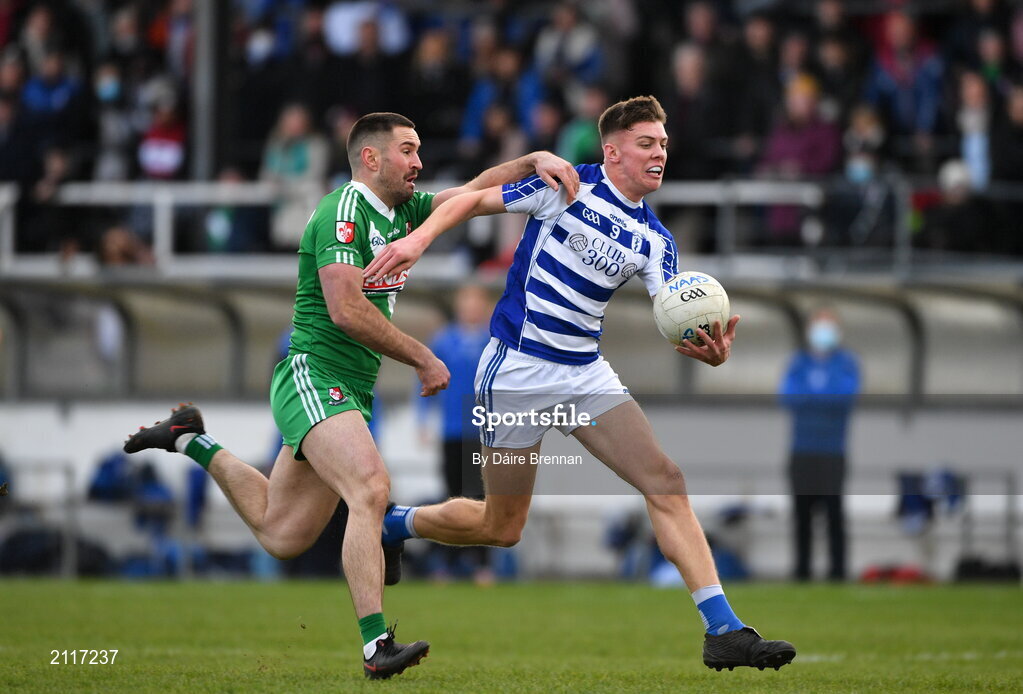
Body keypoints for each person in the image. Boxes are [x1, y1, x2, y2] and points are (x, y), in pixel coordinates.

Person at [122, 111, 579, 680]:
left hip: (348, 389)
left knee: (281, 533)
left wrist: (533, 162)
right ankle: (375, 647)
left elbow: (472, 192)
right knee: (371, 487)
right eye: (408, 151)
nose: (419, 162)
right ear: (371, 158)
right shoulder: (344, 209)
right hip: (314, 374)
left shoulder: (403, 211)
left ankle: (189, 438)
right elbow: (345, 309)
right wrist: (422, 354)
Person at [364, 96, 796, 672]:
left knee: (665, 479)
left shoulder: (657, 241)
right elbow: (468, 201)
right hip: (518, 368)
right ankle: (398, 523)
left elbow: (676, 313)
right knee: (502, 527)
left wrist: (708, 352)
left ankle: (723, 630)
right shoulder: (566, 184)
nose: (659, 154)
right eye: (647, 143)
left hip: (585, 373)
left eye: (664, 145)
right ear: (612, 151)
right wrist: (417, 241)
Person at [415, 284, 495, 583]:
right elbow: (423, 380)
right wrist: (423, 419)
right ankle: (445, 561)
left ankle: (481, 564)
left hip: (485, 431)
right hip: (452, 430)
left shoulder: (494, 338)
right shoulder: (444, 340)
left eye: (476, 301)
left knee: (483, 496)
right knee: (450, 493)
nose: (471, 308)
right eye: (466, 301)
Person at [779, 308, 860, 582]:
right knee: (802, 516)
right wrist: (821, 399)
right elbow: (789, 398)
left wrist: (812, 397)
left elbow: (844, 399)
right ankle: (802, 572)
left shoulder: (846, 363)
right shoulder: (799, 362)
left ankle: (837, 573)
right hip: (802, 451)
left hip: (833, 453)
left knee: (834, 515)